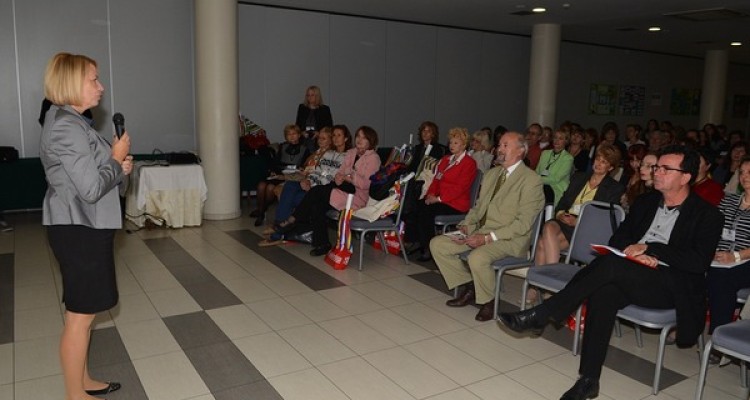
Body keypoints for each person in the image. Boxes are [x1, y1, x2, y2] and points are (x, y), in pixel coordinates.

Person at [498, 145, 723, 400]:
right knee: (604, 293)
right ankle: (588, 380)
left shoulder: (708, 215)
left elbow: (698, 262)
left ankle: (545, 313)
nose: (656, 172)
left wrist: (652, 250)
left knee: (612, 266)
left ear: (685, 177)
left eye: (665, 169)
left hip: (671, 285)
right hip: (632, 272)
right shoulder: (646, 203)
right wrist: (632, 253)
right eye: (656, 167)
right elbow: (619, 238)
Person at [40, 53, 133, 400]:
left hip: (86, 225)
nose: (101, 86)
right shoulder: (66, 126)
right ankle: (74, 395)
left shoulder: (74, 122)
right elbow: (91, 189)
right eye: (93, 79)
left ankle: (84, 381)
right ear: (70, 83)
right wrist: (115, 158)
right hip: (79, 229)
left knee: (86, 312)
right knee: (79, 317)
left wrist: (118, 167)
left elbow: (98, 178)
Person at [430, 131, 545, 321]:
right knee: (438, 244)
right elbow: (478, 208)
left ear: (520, 151)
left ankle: (489, 302)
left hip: (509, 239)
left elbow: (523, 224)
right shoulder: (491, 174)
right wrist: (467, 225)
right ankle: (471, 286)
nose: (500, 149)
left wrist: (487, 238)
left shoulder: (531, 181)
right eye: (499, 145)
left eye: (505, 146)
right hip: (481, 231)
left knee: (477, 257)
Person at [530, 144, 624, 304]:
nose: (598, 163)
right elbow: (562, 203)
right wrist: (561, 214)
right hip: (564, 221)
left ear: (611, 167)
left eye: (604, 162)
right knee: (549, 226)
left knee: (542, 243)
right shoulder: (579, 177)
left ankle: (539, 287)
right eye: (597, 159)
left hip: (586, 229)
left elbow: (602, 218)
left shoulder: (614, 188)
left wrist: (578, 221)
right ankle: (550, 287)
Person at [273, 126, 381, 256]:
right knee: (317, 203)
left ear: (370, 140)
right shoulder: (352, 153)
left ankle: (292, 220)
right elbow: (340, 172)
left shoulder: (373, 158)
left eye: (364, 137)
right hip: (343, 188)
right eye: (358, 136)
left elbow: (366, 184)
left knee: (317, 192)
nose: (359, 140)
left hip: (357, 196)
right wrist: (341, 177)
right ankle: (322, 243)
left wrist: (350, 176)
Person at [260, 125, 351, 245]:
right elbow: (318, 172)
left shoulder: (348, 157)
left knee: (293, 198)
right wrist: (308, 181)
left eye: (339, 135)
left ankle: (277, 233)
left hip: (324, 190)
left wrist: (312, 184)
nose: (335, 138)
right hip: (313, 184)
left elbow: (332, 178)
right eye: (334, 135)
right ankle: (280, 228)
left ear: (346, 138)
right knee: (290, 186)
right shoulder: (329, 154)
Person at [406, 127, 477, 261]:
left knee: (426, 211)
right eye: (450, 142)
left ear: (464, 145)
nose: (451, 145)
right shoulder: (445, 160)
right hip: (440, 200)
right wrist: (430, 195)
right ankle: (416, 241)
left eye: (456, 143)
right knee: (414, 205)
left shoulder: (469, 163)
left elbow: (460, 188)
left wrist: (438, 199)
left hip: (455, 204)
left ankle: (429, 248)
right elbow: (436, 180)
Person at [708, 156, 750, 354]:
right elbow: (713, 227)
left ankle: (719, 341)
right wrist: (710, 250)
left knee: (722, 277)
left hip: (746, 259)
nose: (745, 176)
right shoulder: (730, 199)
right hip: (720, 256)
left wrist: (736, 256)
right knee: (692, 266)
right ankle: (683, 324)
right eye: (742, 172)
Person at [250, 124, 309, 226]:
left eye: (294, 134)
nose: (292, 136)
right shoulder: (283, 146)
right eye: (289, 134)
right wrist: (274, 171)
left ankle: (261, 212)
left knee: (270, 188)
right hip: (280, 173)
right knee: (261, 185)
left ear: (299, 135)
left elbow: (303, 166)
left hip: (292, 176)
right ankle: (261, 211)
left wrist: (295, 168)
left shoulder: (305, 149)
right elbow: (275, 163)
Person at [536, 130, 574, 207]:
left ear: (566, 141)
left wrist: (537, 179)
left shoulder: (568, 158)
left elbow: (556, 179)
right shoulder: (545, 153)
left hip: (556, 188)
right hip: (540, 185)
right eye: (555, 137)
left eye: (560, 138)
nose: (557, 140)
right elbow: (537, 171)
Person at [295, 85, 333, 152]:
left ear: (317, 96)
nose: (309, 97)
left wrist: (319, 133)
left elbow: (329, 127)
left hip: (318, 140)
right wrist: (301, 132)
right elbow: (297, 125)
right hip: (304, 139)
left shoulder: (325, 109)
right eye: (308, 95)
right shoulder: (302, 108)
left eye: (312, 95)